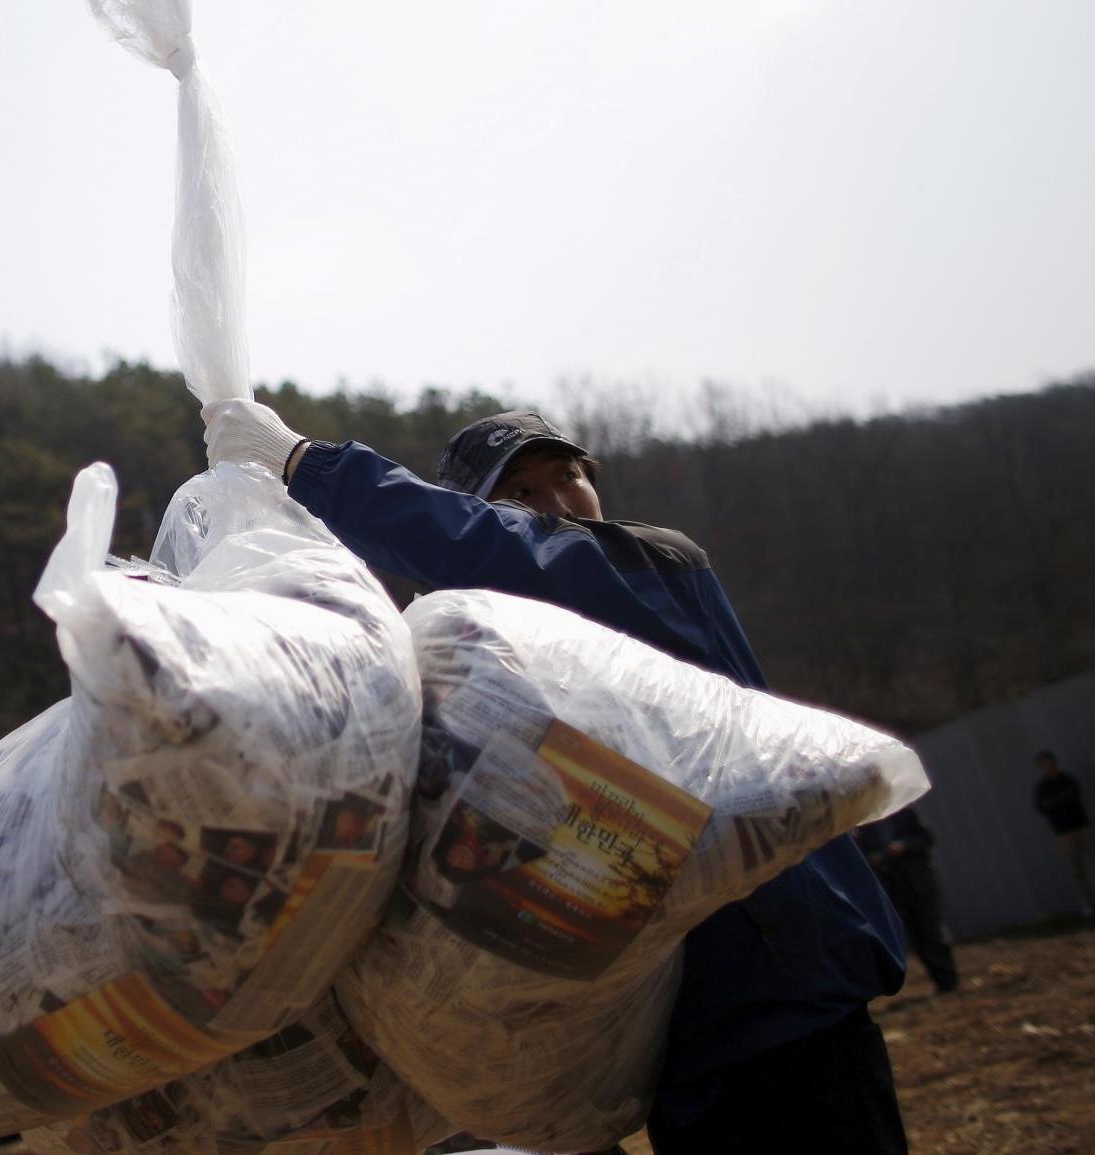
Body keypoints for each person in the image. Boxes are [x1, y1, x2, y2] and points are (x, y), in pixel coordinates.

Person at [203, 401, 912, 1155]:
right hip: (678, 1040)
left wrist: (308, 464)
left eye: (568, 475)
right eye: (520, 494)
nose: (556, 503)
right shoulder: (492, 680)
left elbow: (513, 555)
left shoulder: (649, 567)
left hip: (784, 995)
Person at [852, 806, 959, 994]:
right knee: (915, 933)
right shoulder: (864, 822)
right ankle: (938, 976)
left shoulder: (904, 811)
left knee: (931, 929)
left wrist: (904, 845)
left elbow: (926, 837)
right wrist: (875, 858)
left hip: (918, 880)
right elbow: (861, 855)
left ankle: (948, 978)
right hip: (892, 883)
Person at [1030, 751, 1095, 914]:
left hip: (1081, 827)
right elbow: (1042, 807)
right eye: (1043, 765)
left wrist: (1055, 803)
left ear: (1055, 763)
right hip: (1062, 833)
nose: (1047, 767)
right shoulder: (1042, 788)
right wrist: (1058, 802)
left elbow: (1071, 798)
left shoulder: (1067, 780)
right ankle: (1088, 905)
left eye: (1049, 763)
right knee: (1076, 870)